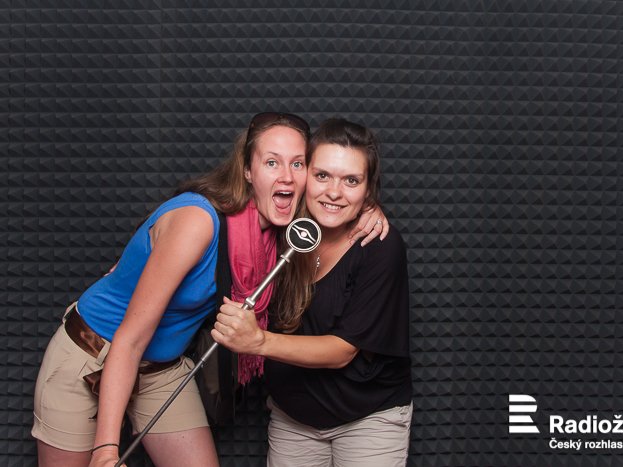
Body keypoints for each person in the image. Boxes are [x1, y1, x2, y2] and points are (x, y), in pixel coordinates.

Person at [32, 111, 388, 467]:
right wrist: (106, 450)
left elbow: (335, 200)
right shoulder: (198, 221)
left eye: (298, 164)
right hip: (93, 351)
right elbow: (131, 338)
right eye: (271, 162)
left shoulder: (284, 233)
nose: (286, 176)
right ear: (247, 170)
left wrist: (367, 209)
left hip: (160, 366)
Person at [213, 118, 413, 467]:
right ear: (303, 175)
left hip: (367, 418)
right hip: (293, 418)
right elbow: (209, 211)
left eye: (351, 181)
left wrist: (258, 341)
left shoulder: (380, 245)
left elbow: (342, 351)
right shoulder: (283, 227)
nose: (334, 192)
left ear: (368, 189)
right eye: (322, 175)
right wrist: (144, 256)